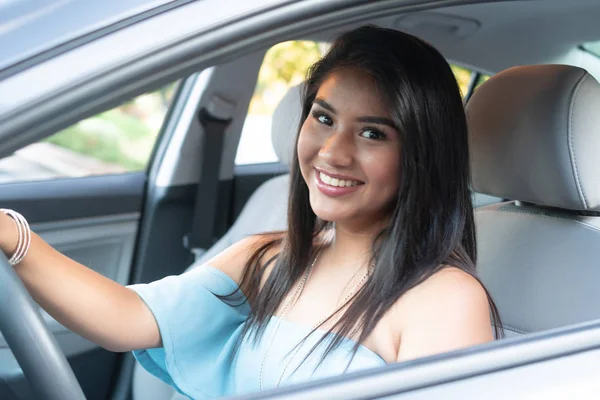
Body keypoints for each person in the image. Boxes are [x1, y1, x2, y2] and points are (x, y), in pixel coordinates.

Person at [0, 26, 501, 399]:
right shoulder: (270, 257)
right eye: (323, 118)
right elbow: (128, 317)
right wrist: (14, 238)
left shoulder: (445, 300)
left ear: (422, 153)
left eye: (373, 133)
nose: (333, 151)